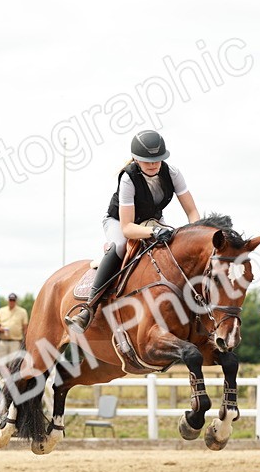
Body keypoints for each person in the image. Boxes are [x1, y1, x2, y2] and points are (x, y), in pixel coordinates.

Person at [67, 129, 202, 332]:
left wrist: (193, 234)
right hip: (120, 222)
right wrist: (154, 233)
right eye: (148, 161)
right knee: (120, 246)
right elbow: (127, 228)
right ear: (137, 160)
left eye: (157, 160)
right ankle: (88, 308)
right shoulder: (128, 178)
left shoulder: (173, 173)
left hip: (153, 221)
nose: (154, 164)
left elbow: (192, 212)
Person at [0, 292, 29, 363]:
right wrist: (2, 329)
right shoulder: (1, 311)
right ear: (8, 300)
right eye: (10, 300)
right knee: (0, 362)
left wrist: (25, 342)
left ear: (16, 301)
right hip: (2, 341)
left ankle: (10, 374)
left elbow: (25, 328)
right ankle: (4, 374)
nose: (12, 302)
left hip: (15, 342)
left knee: (13, 363)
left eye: (13, 300)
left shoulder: (22, 312)